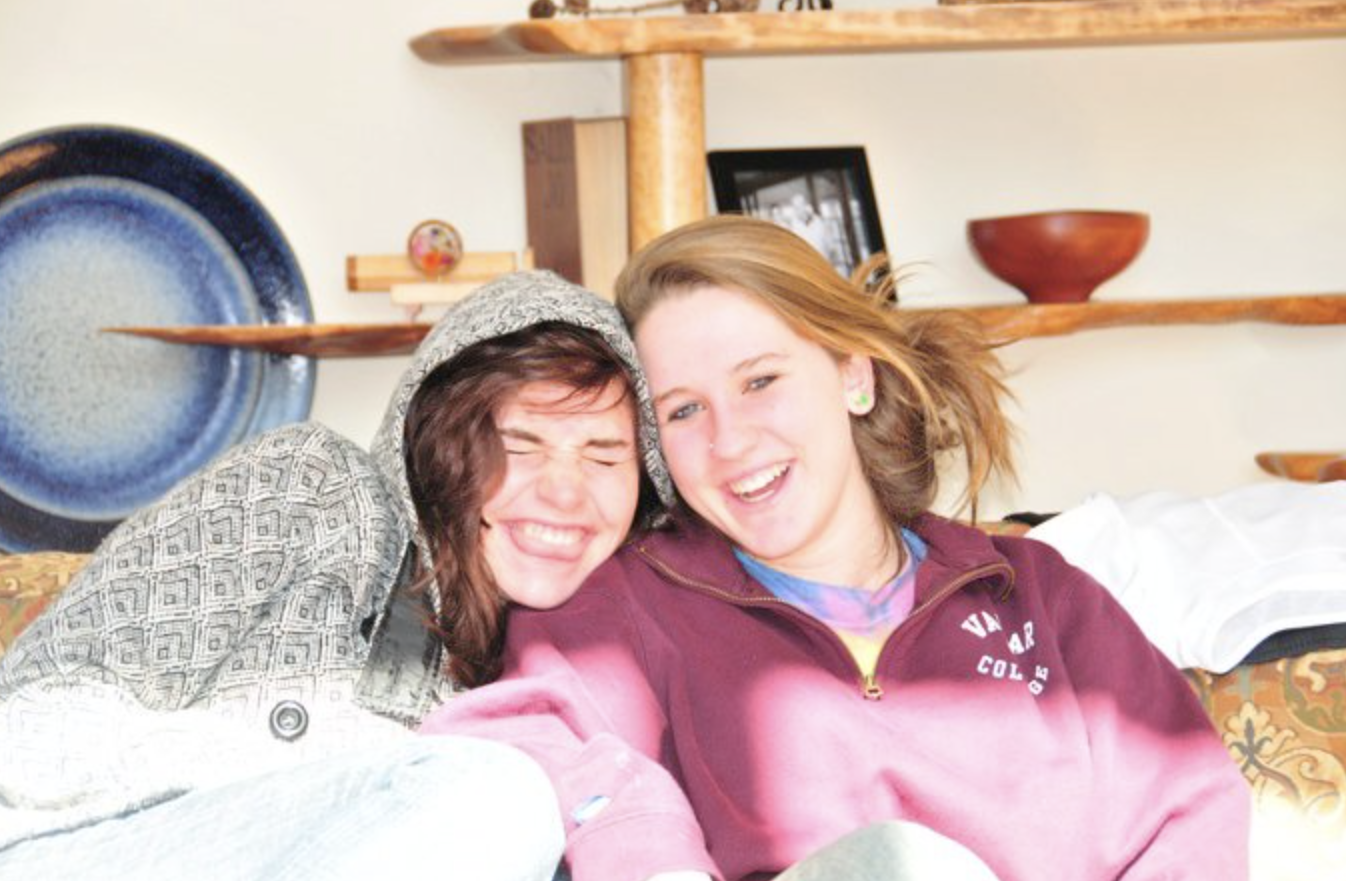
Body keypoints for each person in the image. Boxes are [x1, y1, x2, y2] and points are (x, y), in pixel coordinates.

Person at [425, 215, 1252, 880]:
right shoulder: (625, 608)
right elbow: (529, 741)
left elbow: (1189, 811)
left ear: (853, 375)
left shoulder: (1035, 594)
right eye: (683, 411)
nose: (730, 440)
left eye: (760, 381)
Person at [0, 270, 672, 879]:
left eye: (603, 457)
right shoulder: (312, 487)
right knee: (501, 794)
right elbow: (27, 724)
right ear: (440, 441)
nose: (565, 493)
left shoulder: (584, 649)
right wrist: (315, 767)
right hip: (74, 849)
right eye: (518, 445)